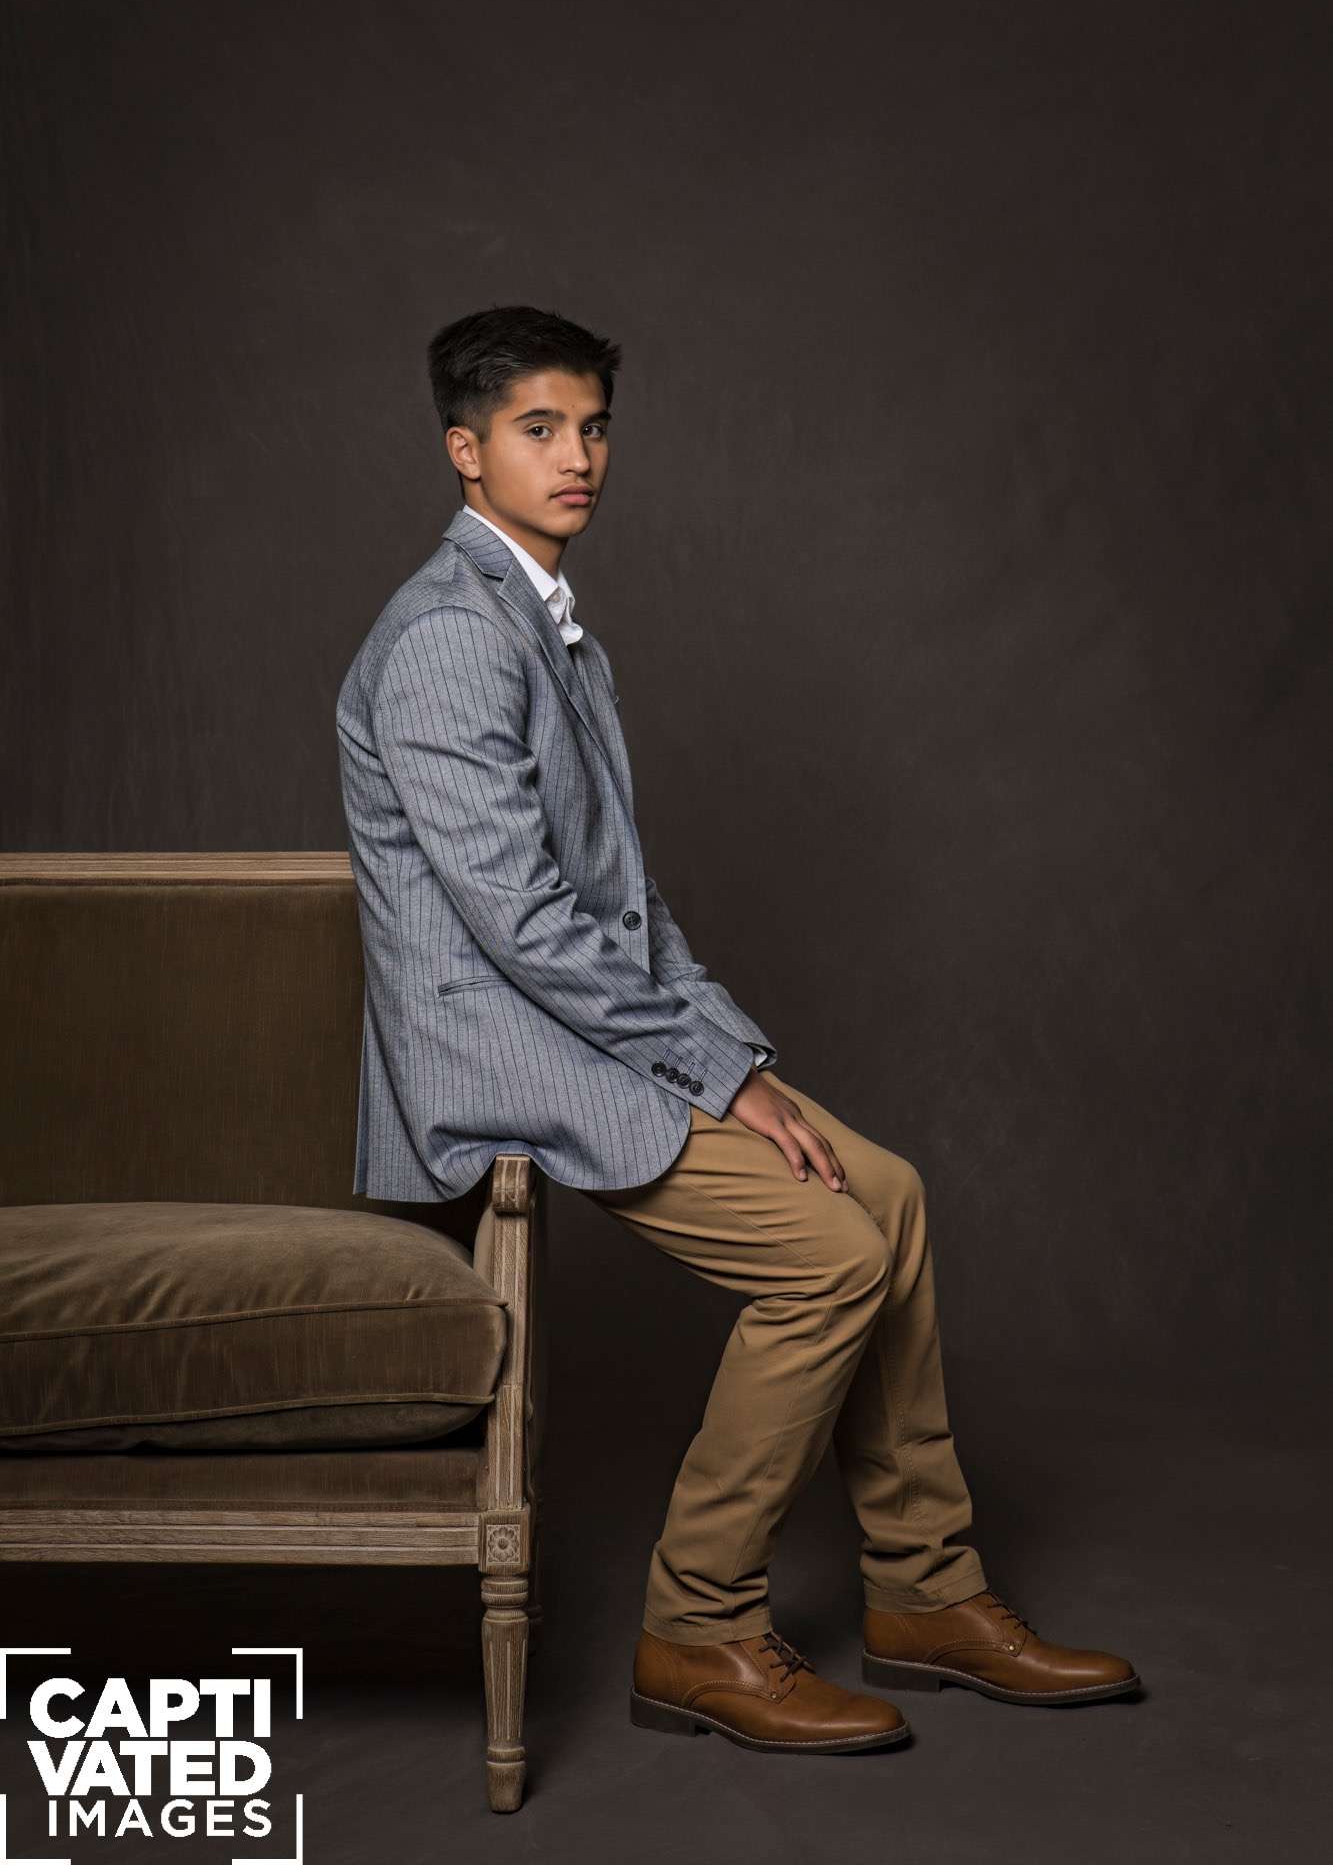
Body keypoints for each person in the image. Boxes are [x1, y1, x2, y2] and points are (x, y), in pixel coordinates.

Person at [336, 303, 1140, 1756]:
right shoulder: (452, 637)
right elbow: (522, 925)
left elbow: (625, 904)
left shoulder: (544, 624)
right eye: (538, 429)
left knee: (887, 1196)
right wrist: (711, 1071)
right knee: (829, 1260)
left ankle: (925, 1594)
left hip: (583, 1028)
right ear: (464, 451)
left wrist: (740, 1064)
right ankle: (697, 1624)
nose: (578, 457)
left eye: (593, 428)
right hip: (501, 1056)